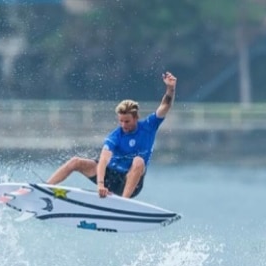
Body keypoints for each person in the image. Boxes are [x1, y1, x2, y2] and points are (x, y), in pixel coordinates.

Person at [46, 71, 177, 198]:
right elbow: (103, 159)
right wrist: (100, 185)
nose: (123, 125)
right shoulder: (116, 136)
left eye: (127, 121)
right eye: (121, 121)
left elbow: (165, 105)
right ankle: (44, 188)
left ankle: (123, 203)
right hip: (110, 177)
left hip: (130, 182)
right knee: (75, 161)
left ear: (136, 117)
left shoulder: (149, 126)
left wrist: (170, 89)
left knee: (138, 161)